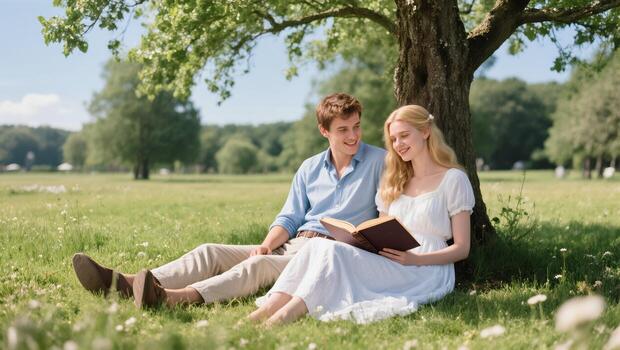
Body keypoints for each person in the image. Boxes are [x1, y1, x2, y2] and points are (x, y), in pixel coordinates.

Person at [72, 93, 386, 309]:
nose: (353, 136)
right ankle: (121, 284)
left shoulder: (379, 162)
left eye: (357, 127)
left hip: (328, 253)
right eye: (343, 129)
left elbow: (387, 215)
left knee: (260, 266)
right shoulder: (310, 167)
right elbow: (290, 217)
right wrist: (265, 243)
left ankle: (170, 298)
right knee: (211, 252)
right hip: (295, 242)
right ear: (324, 131)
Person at [249, 104, 475, 325]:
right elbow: (380, 228)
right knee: (318, 245)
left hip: (426, 268)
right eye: (394, 139)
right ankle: (267, 310)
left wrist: (415, 259)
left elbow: (462, 248)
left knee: (332, 251)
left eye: (404, 136)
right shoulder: (395, 180)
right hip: (389, 259)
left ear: (425, 131)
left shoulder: (453, 179)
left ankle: (284, 316)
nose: (398, 144)